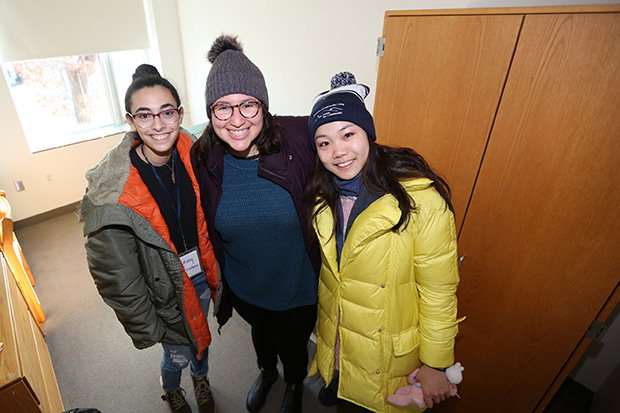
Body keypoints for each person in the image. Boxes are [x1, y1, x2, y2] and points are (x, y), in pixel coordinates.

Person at [305, 72, 463, 413]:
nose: (338, 151)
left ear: (368, 135)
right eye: (324, 142)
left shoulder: (420, 201)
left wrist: (436, 364)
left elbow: (438, 292)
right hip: (340, 340)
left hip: (387, 352)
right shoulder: (323, 196)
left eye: (348, 134)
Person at [80, 64, 220, 413]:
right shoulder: (112, 192)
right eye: (145, 115)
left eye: (166, 112)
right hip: (163, 292)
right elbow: (118, 279)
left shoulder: (195, 153)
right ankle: (172, 389)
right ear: (130, 121)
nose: (158, 125)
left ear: (180, 114)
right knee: (176, 354)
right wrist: (149, 327)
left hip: (199, 276)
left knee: (201, 340)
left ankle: (201, 380)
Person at [191, 35, 319, 413]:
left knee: (293, 345)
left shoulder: (299, 140)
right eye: (222, 108)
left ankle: (294, 384)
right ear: (210, 113)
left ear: (263, 106)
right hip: (245, 285)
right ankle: (267, 372)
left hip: (296, 286)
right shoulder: (205, 156)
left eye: (248, 105)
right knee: (262, 337)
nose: (236, 120)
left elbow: (351, 142)